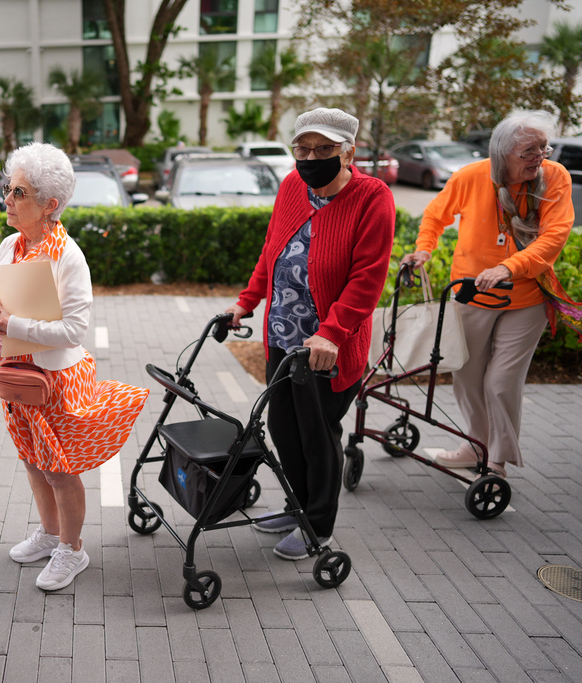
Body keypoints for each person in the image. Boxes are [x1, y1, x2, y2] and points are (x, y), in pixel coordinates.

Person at [226, 108, 394, 560]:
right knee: (284, 428)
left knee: (318, 436)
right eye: (302, 148)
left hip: (327, 348)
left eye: (324, 149)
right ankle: (295, 506)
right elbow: (273, 251)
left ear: (348, 152)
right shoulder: (291, 187)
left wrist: (333, 333)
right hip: (283, 337)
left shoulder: (372, 197)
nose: (310, 157)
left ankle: (318, 526)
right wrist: (246, 301)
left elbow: (368, 279)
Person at [0, 142, 149, 590]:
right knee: (33, 462)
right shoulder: (8, 246)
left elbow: (74, 330)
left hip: (57, 378)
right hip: (17, 375)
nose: (7, 200)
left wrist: (13, 321)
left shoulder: (68, 255)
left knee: (60, 468)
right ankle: (50, 533)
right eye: (8, 189)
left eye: (18, 192)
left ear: (49, 204)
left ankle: (72, 550)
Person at [402, 110, 574, 478]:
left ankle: (496, 459)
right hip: (472, 292)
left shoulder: (553, 177)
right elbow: (435, 215)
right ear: (501, 153)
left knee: (501, 382)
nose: (539, 158)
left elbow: (554, 236)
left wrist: (509, 268)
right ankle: (474, 444)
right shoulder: (471, 176)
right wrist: (424, 249)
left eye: (543, 148)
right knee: (465, 373)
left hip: (526, 295)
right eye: (528, 151)